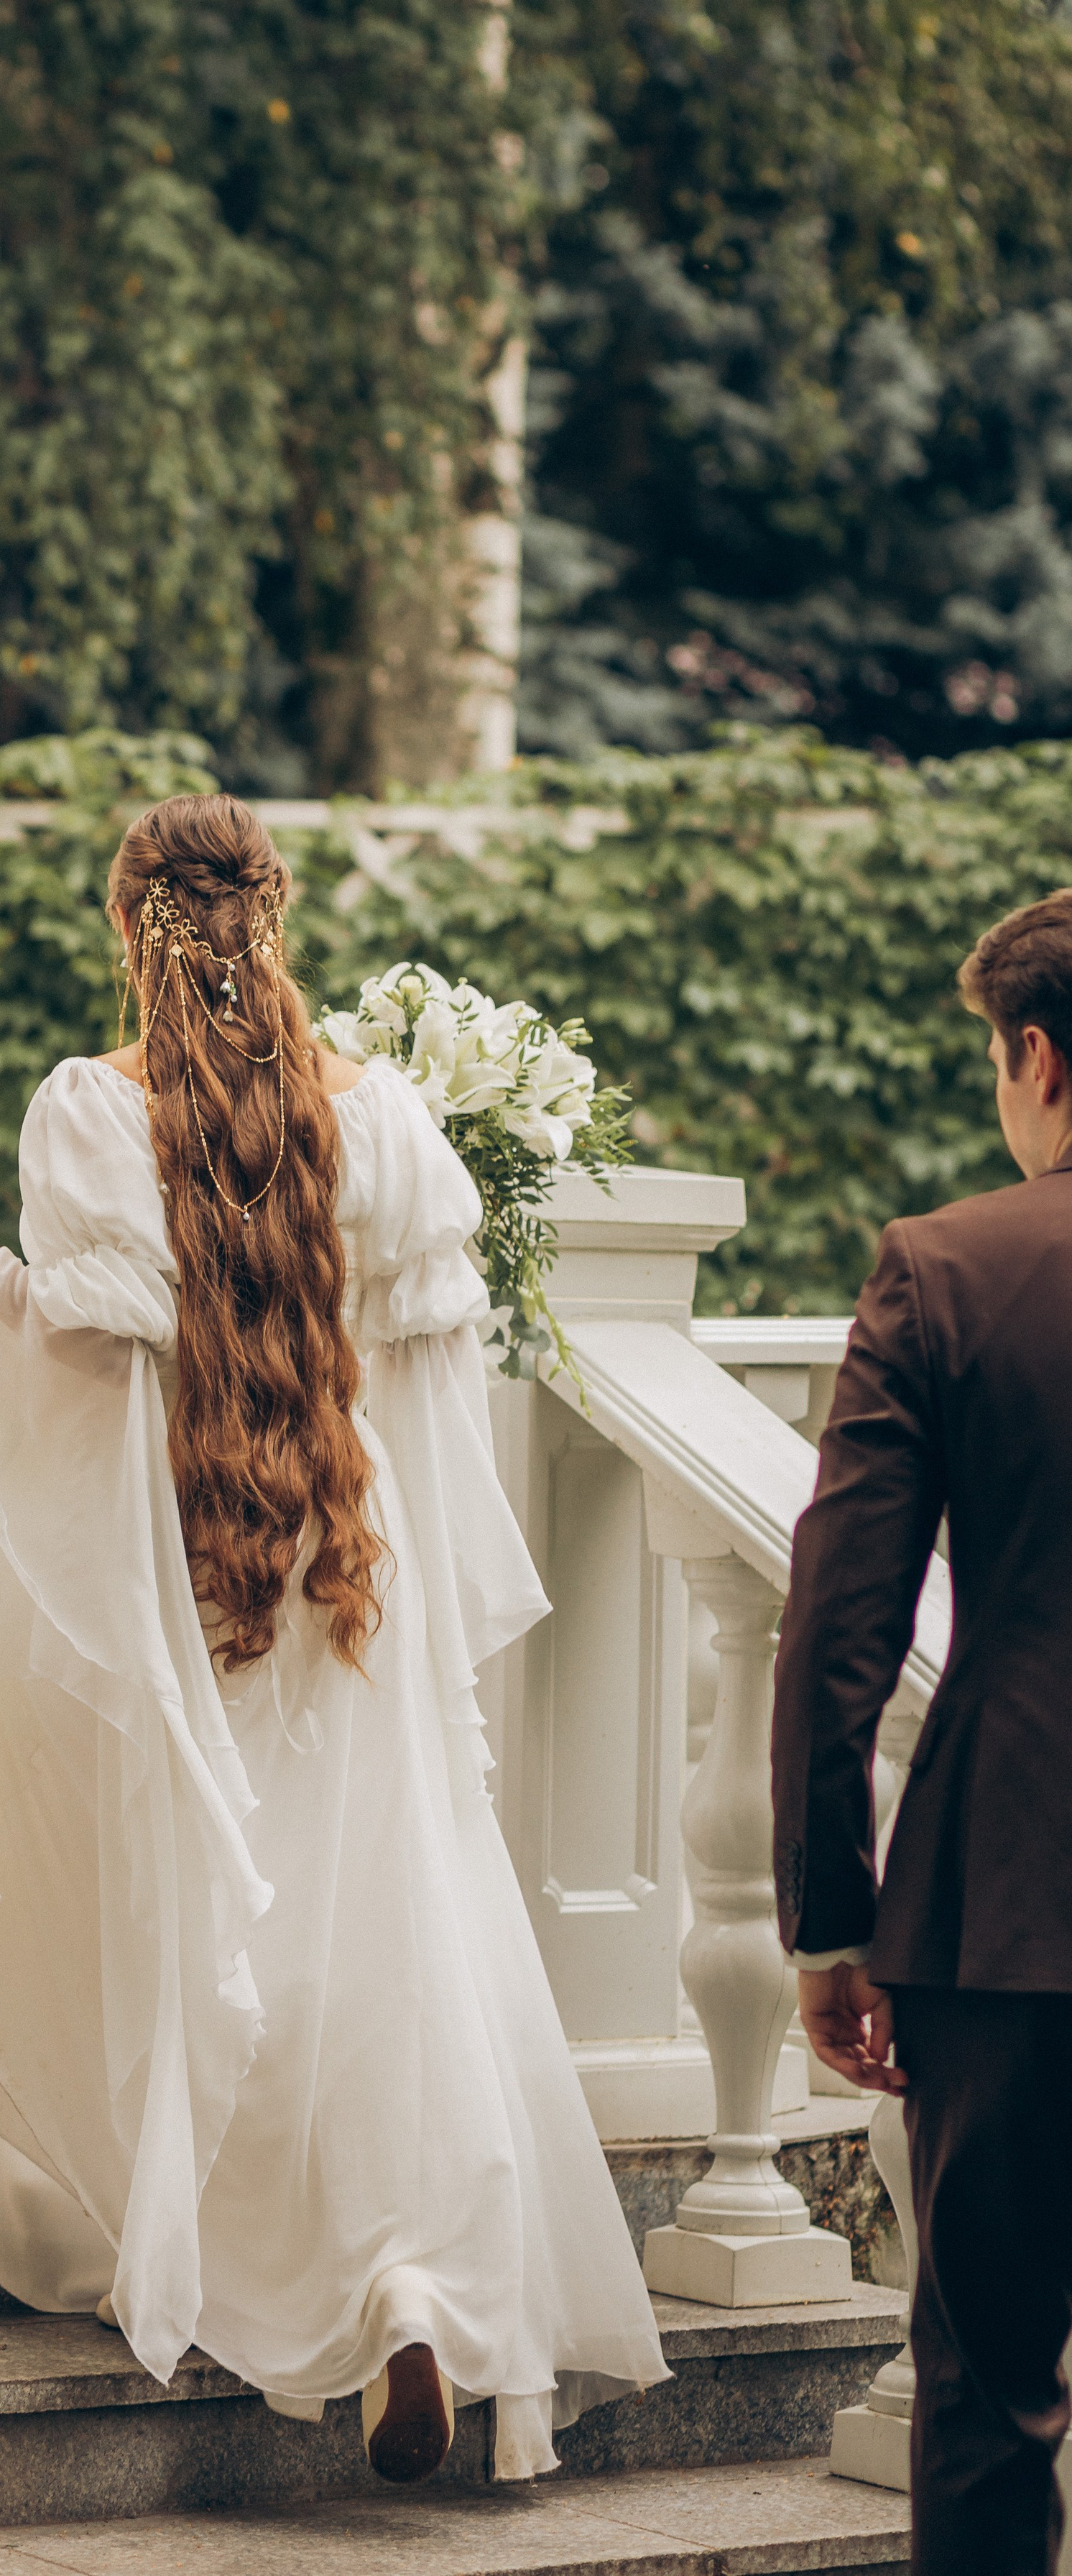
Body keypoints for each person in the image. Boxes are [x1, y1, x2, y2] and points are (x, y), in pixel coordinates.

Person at [0, 792, 666, 2483]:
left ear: (129, 925)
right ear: (273, 916)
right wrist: (404, 1608)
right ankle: (411, 2284)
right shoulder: (390, 1125)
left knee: (230, 1943)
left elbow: (90, 1372)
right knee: (389, 1943)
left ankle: (272, 2266)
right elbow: (430, 1405)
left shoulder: (93, 1113)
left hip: (198, 1586)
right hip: (357, 1584)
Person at [772, 889, 1072, 2575]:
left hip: (997, 1908)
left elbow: (838, 1633)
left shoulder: (943, 1268)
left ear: (1032, 1054)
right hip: (994, 1915)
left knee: (982, 2396)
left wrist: (828, 1914)